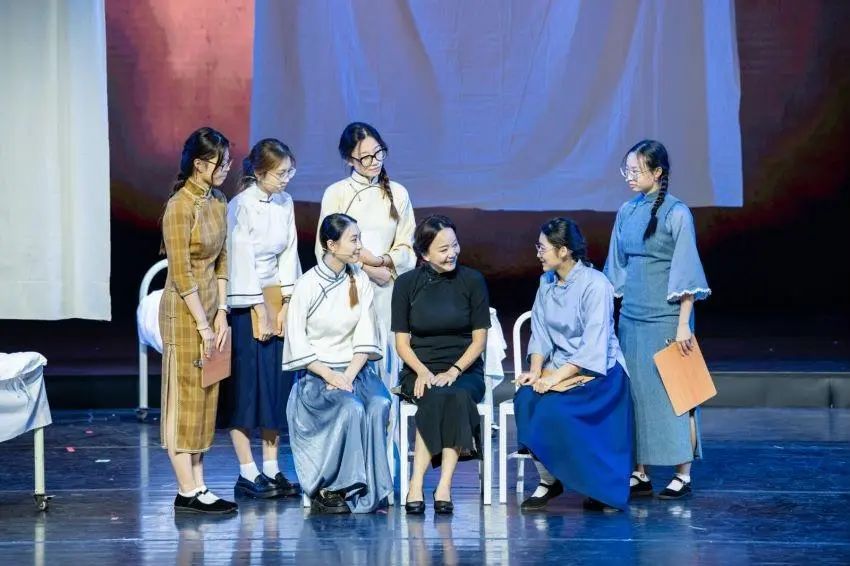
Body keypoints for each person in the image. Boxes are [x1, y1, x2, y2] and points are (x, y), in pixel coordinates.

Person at [603, 139, 711, 500]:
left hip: (666, 319)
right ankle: (640, 471)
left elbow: (686, 272)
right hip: (631, 319)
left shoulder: (677, 213)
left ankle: (682, 473)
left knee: (675, 393)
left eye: (637, 171)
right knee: (635, 395)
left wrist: (683, 324)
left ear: (658, 172)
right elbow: (616, 267)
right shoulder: (627, 211)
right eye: (627, 170)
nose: (630, 177)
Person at [514, 218, 634, 512]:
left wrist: (555, 379)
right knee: (525, 398)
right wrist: (536, 372)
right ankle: (549, 480)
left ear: (563, 250)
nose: (538, 254)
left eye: (543, 248)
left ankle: (598, 487)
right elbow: (540, 333)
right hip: (558, 367)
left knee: (554, 409)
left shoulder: (596, 285)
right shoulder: (546, 282)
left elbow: (593, 346)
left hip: (600, 373)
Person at [284, 213, 393, 513]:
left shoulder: (359, 279)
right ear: (331, 245)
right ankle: (334, 487)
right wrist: (331, 376)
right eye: (353, 240)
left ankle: (372, 488)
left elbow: (365, 334)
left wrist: (348, 375)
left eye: (359, 239)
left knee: (379, 403)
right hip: (318, 375)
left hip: (356, 371)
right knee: (350, 407)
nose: (360, 246)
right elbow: (297, 341)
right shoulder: (307, 285)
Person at [217, 138, 301, 499]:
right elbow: (240, 261)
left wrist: (285, 304)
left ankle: (271, 466)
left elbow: (289, 254)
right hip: (245, 303)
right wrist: (258, 309)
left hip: (274, 297)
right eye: (281, 173)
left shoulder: (285, 202)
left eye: (289, 172)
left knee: (274, 387)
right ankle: (247, 470)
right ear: (259, 172)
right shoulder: (240, 206)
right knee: (247, 389)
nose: (286, 179)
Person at [159, 127, 237, 514]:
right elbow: (181, 272)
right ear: (200, 164)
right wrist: (202, 325)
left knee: (206, 397)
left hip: (210, 310)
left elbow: (222, 260)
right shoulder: (179, 206)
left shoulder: (218, 200)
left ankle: (200, 484)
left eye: (228, 162)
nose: (226, 169)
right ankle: (185, 490)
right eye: (221, 163)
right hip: (183, 313)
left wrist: (221, 312)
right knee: (183, 397)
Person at [391, 215, 490, 515]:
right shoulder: (406, 284)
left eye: (455, 245)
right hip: (419, 368)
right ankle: (419, 484)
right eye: (443, 249)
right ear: (424, 254)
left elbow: (479, 340)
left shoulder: (472, 280)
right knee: (435, 394)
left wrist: (454, 371)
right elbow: (402, 343)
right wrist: (423, 371)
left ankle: (441, 484)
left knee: (454, 394)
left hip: (464, 369)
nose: (452, 253)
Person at [315, 122, 416, 393]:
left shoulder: (398, 193)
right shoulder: (337, 193)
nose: (375, 161)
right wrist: (367, 268)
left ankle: (388, 421)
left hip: (387, 290)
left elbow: (407, 247)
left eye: (379, 152)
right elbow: (325, 248)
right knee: (351, 362)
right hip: (347, 289)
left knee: (388, 363)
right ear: (349, 159)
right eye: (366, 157)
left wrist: (382, 262)